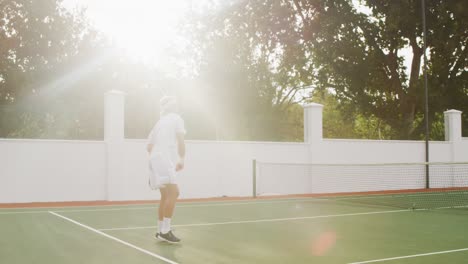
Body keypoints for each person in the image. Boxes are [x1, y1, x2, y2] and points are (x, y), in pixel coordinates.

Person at [147, 96, 186, 244]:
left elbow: (149, 147)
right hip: (164, 159)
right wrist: (181, 159)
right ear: (173, 106)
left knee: (165, 195)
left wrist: (154, 164)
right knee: (174, 192)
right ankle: (165, 231)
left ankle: (160, 230)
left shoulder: (159, 123)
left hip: (155, 159)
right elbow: (181, 140)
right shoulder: (177, 118)